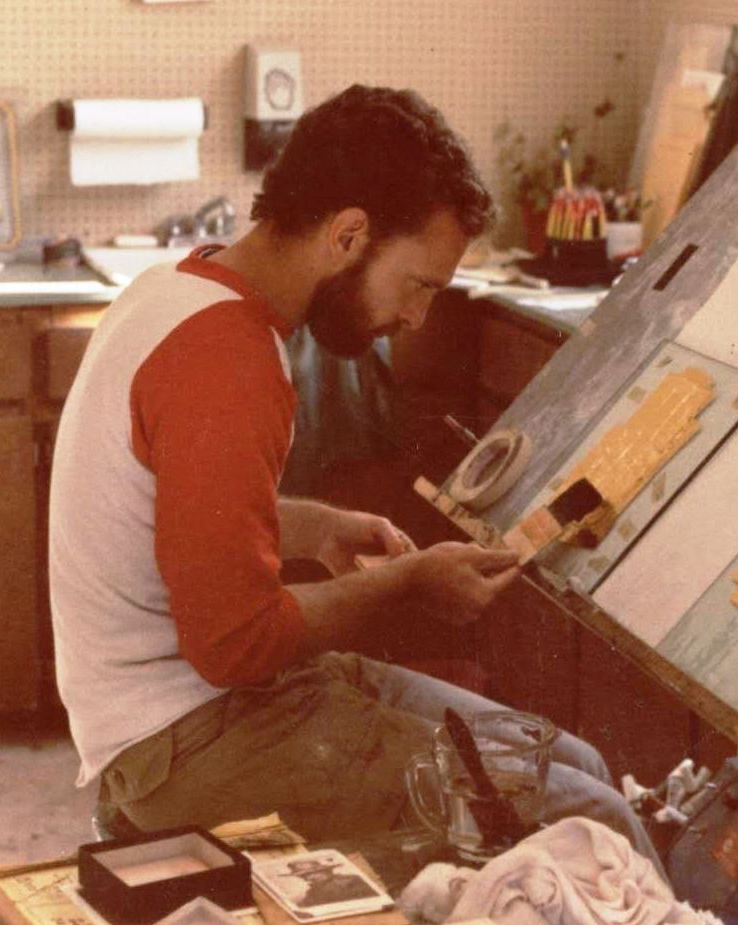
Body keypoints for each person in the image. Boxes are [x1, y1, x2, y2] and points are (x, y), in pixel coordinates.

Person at [49, 84, 661, 872]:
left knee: (575, 764)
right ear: (346, 235)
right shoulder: (225, 358)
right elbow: (235, 645)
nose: (416, 320)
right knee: (595, 826)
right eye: (420, 285)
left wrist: (311, 526)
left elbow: (172, 513)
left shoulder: (177, 290)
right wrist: (408, 585)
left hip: (202, 712)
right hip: (187, 740)